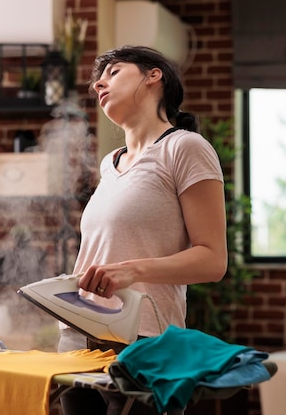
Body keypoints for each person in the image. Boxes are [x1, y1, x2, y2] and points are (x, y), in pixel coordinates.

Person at [57, 45, 228, 415]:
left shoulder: (184, 148)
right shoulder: (110, 163)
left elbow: (213, 260)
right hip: (80, 337)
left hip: (144, 339)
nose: (99, 84)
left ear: (154, 76)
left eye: (114, 72)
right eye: (97, 80)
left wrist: (132, 271)